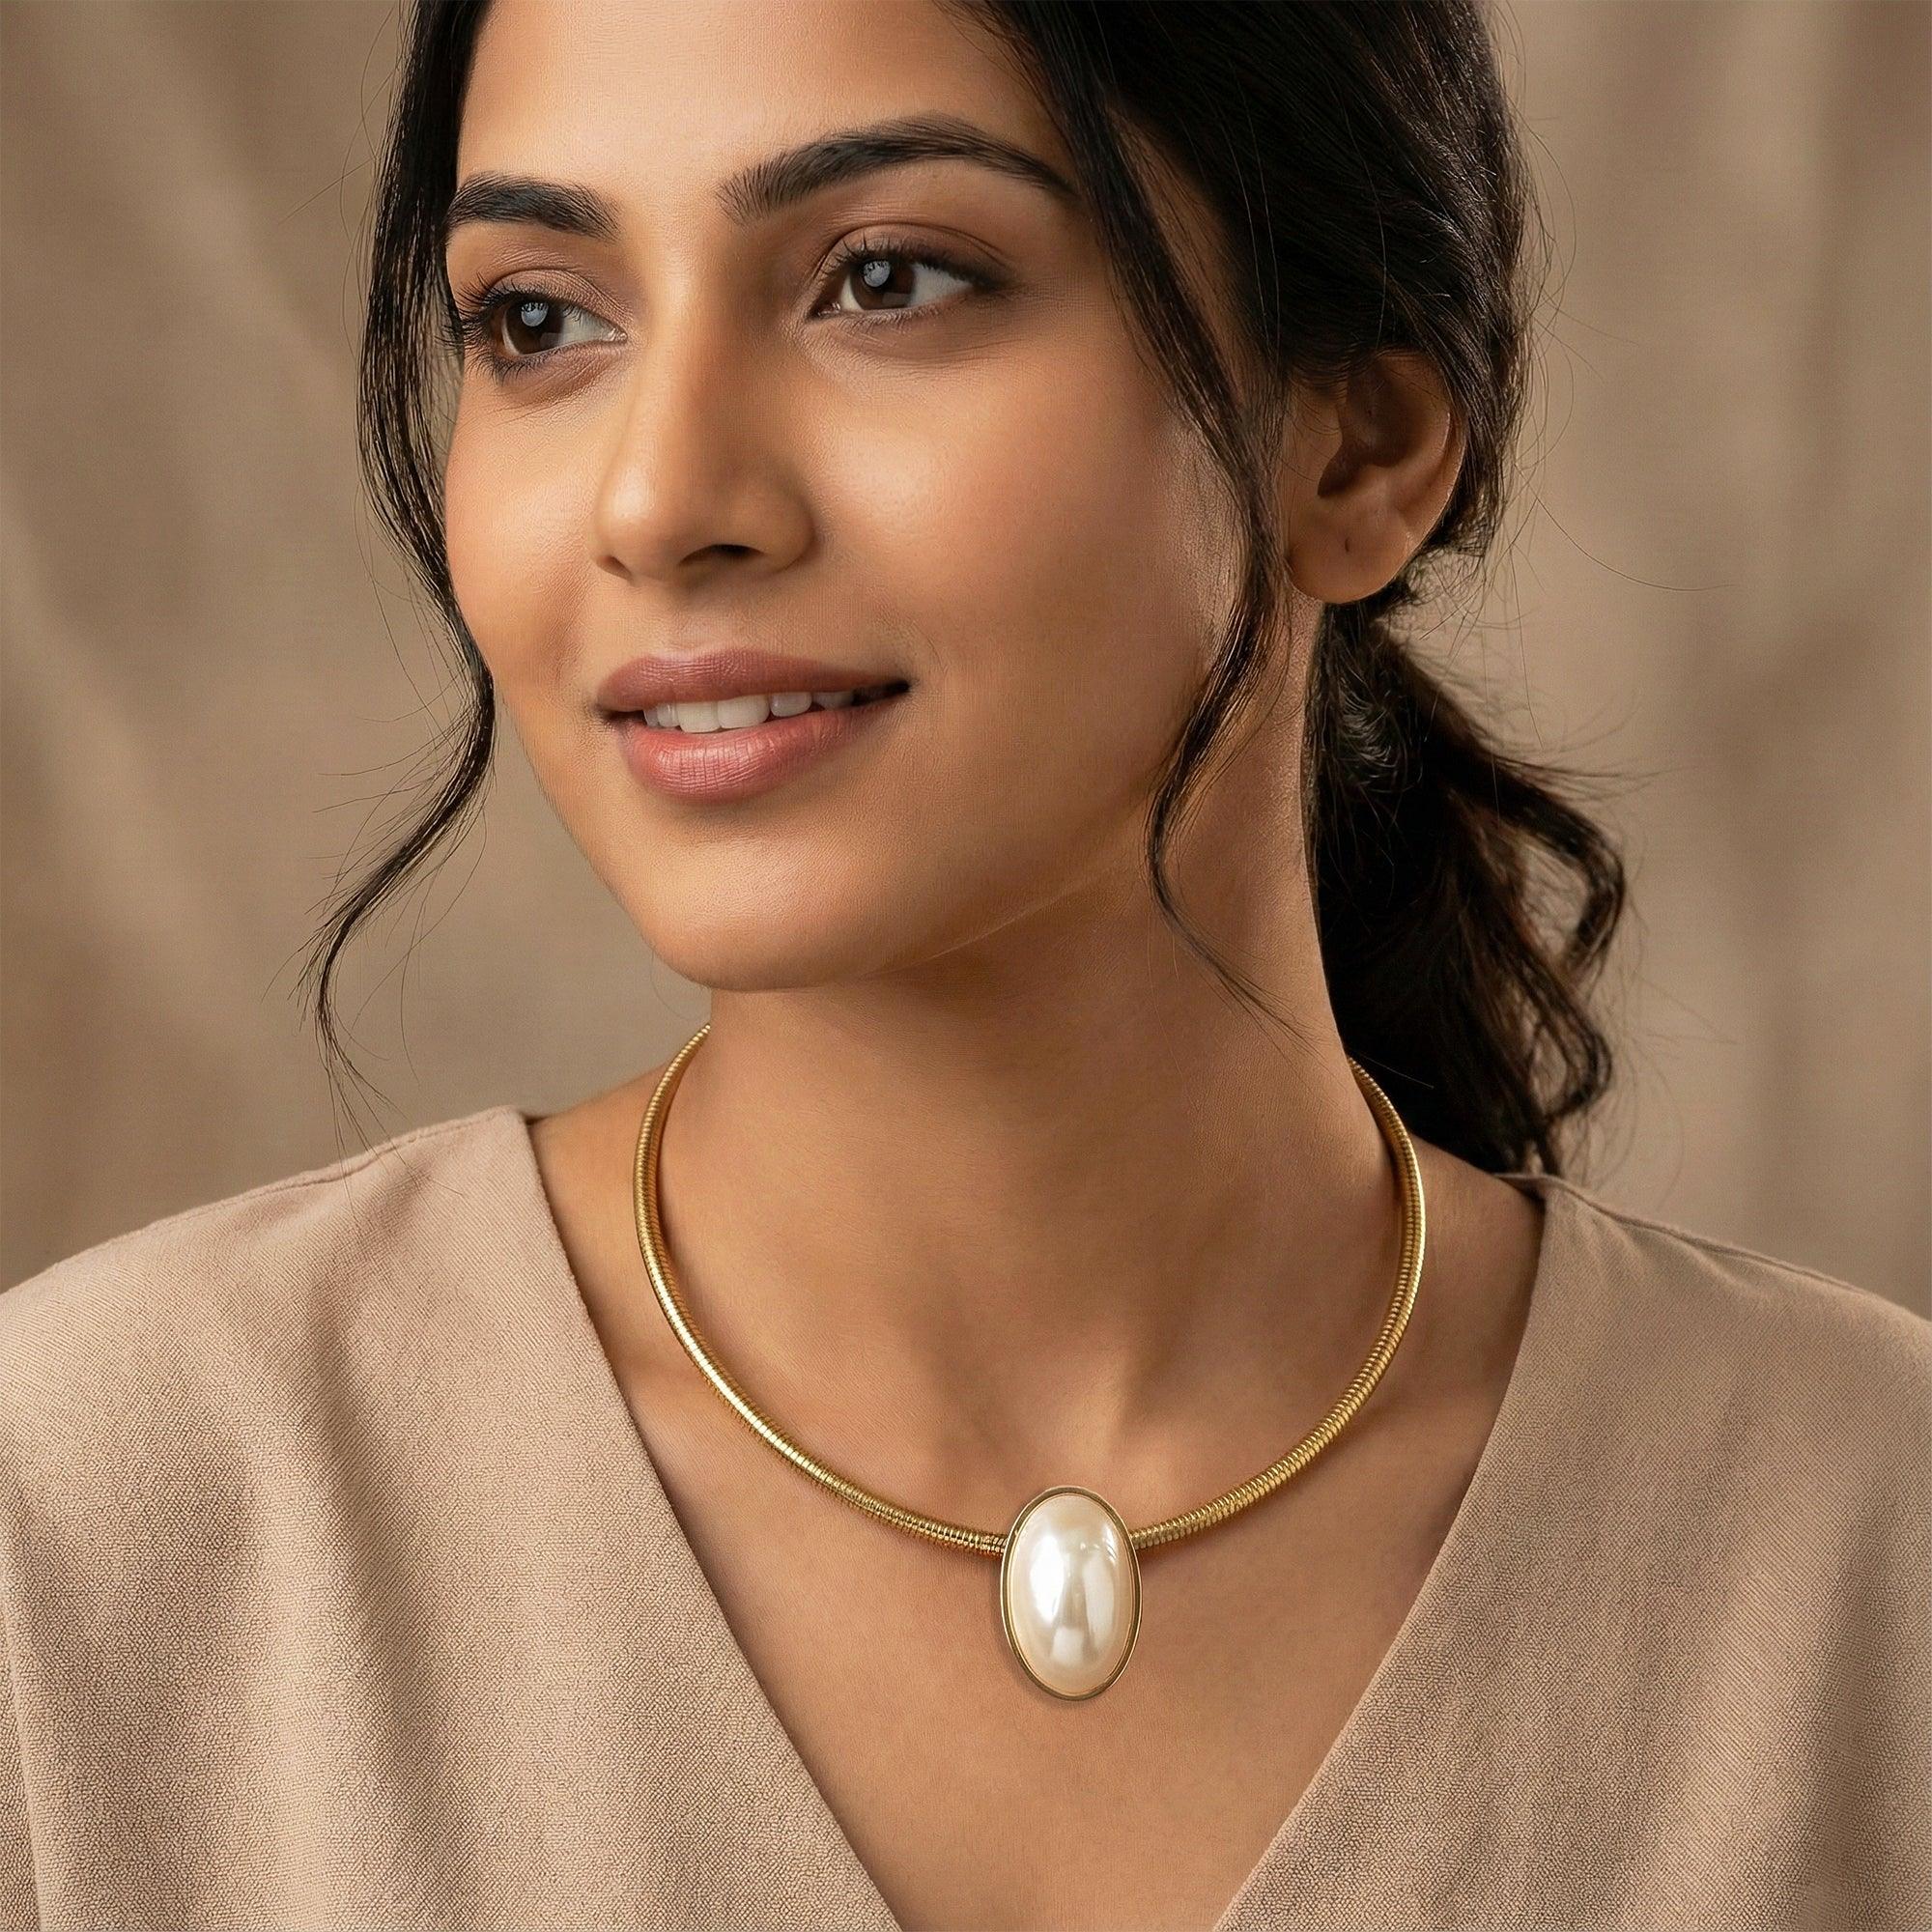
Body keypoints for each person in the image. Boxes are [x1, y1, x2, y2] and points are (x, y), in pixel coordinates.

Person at [3, 0, 1926, 1926]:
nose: (661, 499)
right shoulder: (87, 1522)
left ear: (1360, 448)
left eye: (887, 278)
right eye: (540, 321)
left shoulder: (1869, 1547)